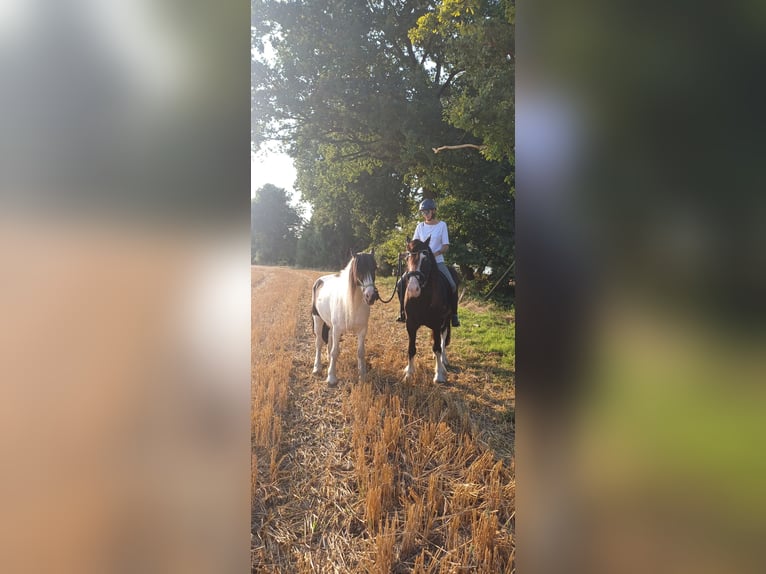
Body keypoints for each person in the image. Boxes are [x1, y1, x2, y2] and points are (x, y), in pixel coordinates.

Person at [397, 198, 460, 326]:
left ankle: (454, 314)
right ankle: (403, 312)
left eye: (427, 212)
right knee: (400, 284)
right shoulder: (420, 226)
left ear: (433, 211)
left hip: (438, 261)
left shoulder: (442, 225)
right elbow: (413, 245)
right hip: (420, 263)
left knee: (452, 285)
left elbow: (445, 245)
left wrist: (434, 254)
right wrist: (407, 254)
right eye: (423, 212)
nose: (425, 214)